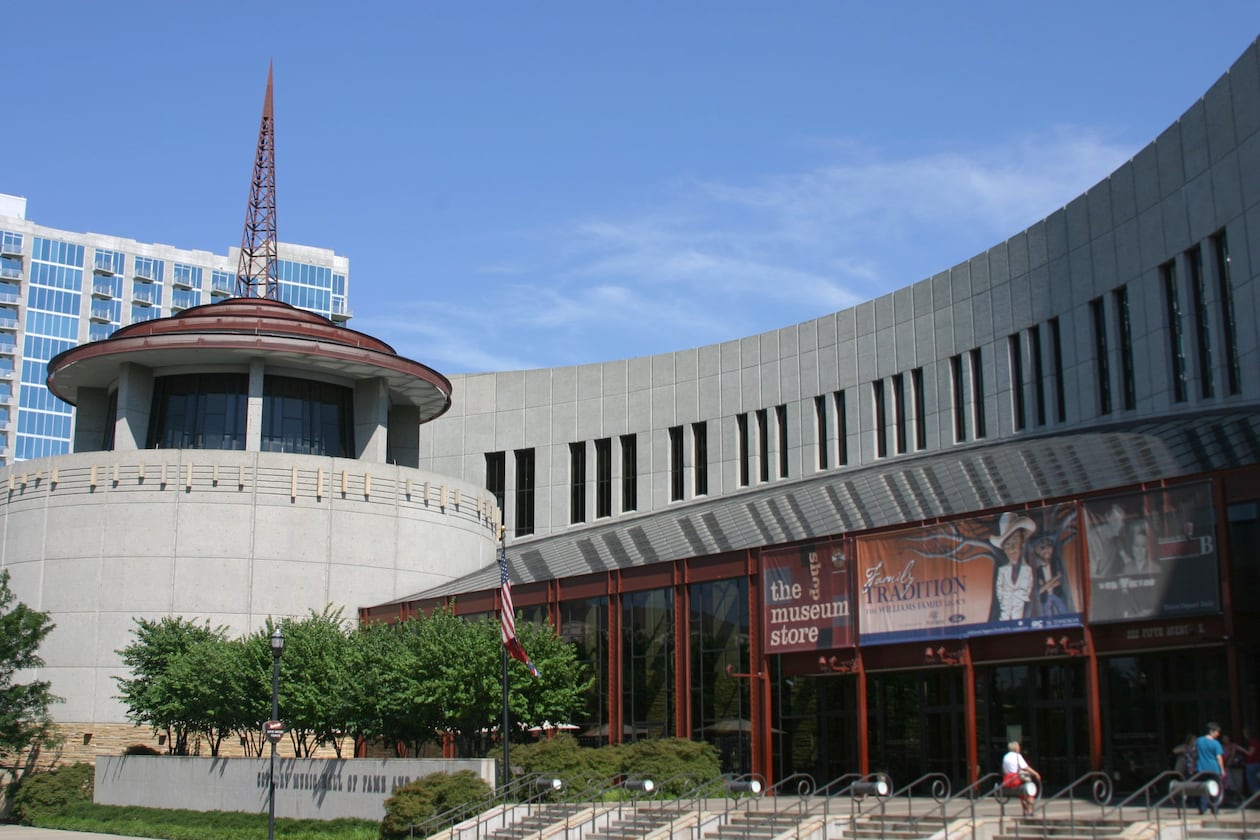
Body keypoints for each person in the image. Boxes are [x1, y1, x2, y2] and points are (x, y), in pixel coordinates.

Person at [991, 513, 1035, 621]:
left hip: (1019, 603)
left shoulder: (1027, 569)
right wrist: (1003, 599)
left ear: (1022, 541)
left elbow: (1030, 584)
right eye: (1007, 544)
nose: (1012, 548)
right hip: (1006, 605)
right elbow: (999, 587)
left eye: (1015, 540)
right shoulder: (1002, 570)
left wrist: (1021, 595)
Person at [1002, 740, 1041, 817]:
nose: (1019, 748)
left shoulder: (1005, 756)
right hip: (1015, 779)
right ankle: (1029, 810)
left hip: (1007, 781)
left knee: (1022, 793)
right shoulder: (1017, 756)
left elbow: (1003, 769)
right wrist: (1035, 773)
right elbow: (1025, 767)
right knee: (1030, 790)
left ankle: (1025, 810)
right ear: (1016, 748)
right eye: (1018, 746)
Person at [1195, 722, 1225, 815]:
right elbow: (1219, 757)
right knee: (1215, 788)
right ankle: (1214, 807)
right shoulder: (1216, 743)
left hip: (1202, 768)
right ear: (1211, 731)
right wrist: (1222, 769)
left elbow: (1194, 752)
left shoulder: (1199, 741)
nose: (1218, 734)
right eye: (1216, 732)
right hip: (1213, 768)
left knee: (1203, 788)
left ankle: (1202, 808)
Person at [1244, 726, 1260, 798]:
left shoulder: (1253, 742)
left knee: (1253, 783)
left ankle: (1256, 798)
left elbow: (1250, 753)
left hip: (1252, 764)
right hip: (1257, 763)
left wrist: (1240, 749)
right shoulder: (1257, 742)